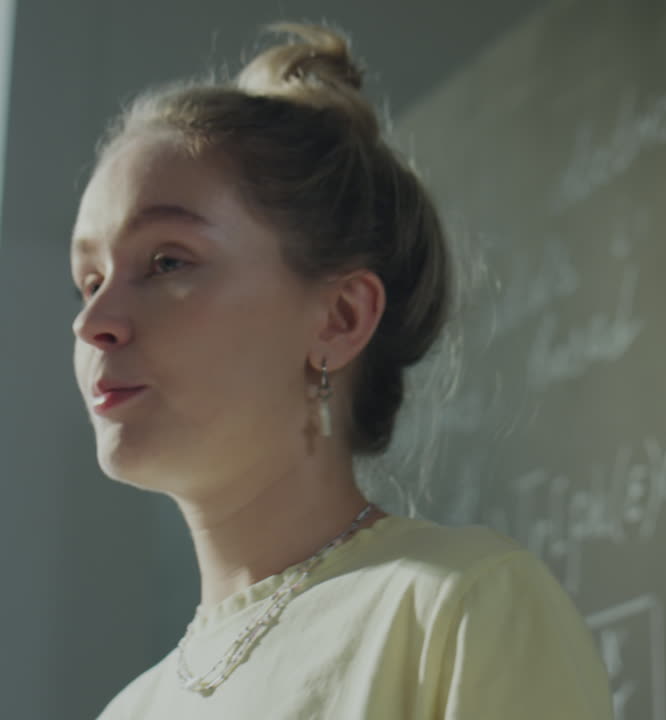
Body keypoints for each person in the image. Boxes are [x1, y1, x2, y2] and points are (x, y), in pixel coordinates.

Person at [72, 21, 613, 719]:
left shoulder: (453, 608)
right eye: (89, 280)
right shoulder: (128, 711)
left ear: (340, 318)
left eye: (167, 261)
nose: (93, 322)